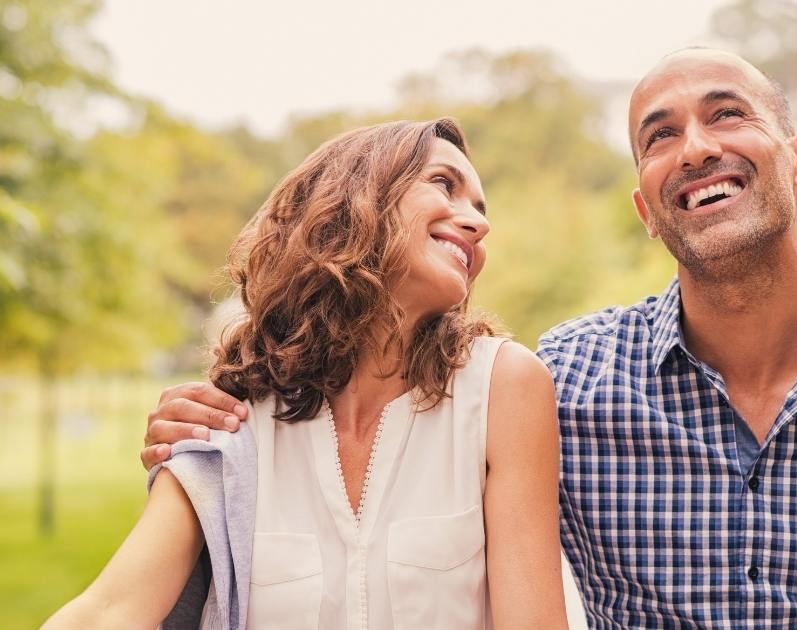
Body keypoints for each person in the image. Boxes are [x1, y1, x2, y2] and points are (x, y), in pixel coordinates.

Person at [143, 49, 797, 628]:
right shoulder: (561, 378)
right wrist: (214, 418)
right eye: (660, 136)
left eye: (727, 116)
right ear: (647, 208)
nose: (695, 148)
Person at [46, 118, 568, 629]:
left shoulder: (504, 385)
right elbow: (111, 609)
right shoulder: (232, 415)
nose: (479, 223)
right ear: (354, 199)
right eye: (442, 183)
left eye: (480, 207)